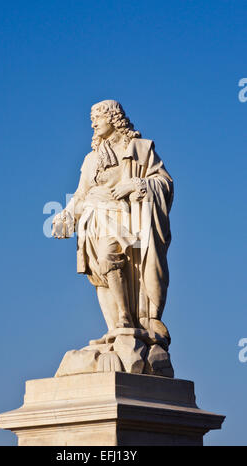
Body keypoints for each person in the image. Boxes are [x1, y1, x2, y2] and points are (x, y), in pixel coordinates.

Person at [52, 100, 173, 348]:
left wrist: (137, 185)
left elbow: (164, 183)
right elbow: (81, 194)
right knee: (99, 274)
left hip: (122, 216)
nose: (93, 123)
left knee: (110, 257)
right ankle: (116, 327)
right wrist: (66, 215)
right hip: (92, 218)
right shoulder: (90, 159)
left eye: (98, 117)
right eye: (91, 119)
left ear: (114, 117)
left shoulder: (139, 149)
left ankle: (127, 321)